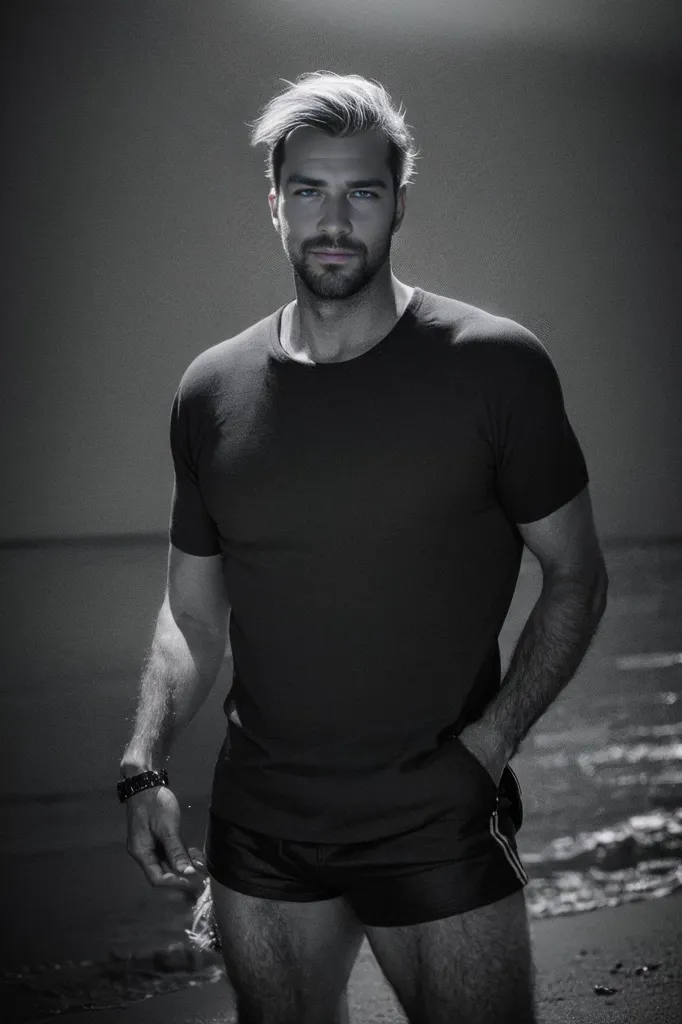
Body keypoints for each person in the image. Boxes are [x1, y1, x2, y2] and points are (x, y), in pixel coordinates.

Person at [120, 71, 609, 1024]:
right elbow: (192, 613)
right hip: (263, 828)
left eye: (362, 192)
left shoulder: (495, 367)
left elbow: (577, 576)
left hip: (436, 814)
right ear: (274, 203)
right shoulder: (209, 391)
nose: (333, 219)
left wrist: (490, 744)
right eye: (308, 190)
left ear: (397, 203)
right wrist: (144, 760)